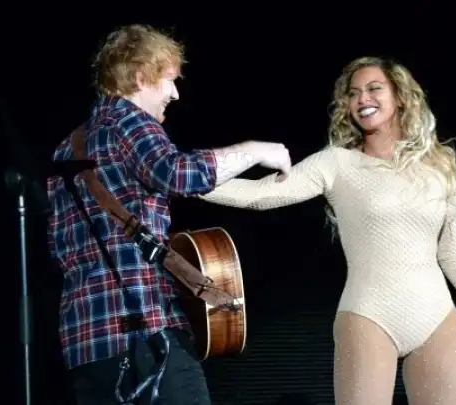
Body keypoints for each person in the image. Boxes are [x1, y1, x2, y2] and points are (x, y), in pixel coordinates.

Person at [198, 56, 456, 405]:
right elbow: (258, 195)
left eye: (374, 89)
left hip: (437, 317)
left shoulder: (440, 165)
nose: (362, 99)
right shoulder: (337, 163)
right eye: (353, 93)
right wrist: (180, 179)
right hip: (369, 315)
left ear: (400, 96)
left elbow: (454, 253)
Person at [46, 24, 291, 405]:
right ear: (140, 76)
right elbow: (176, 173)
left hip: (86, 341)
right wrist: (256, 151)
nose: (175, 93)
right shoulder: (129, 120)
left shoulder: (67, 148)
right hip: (143, 331)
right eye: (170, 79)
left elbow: (60, 245)